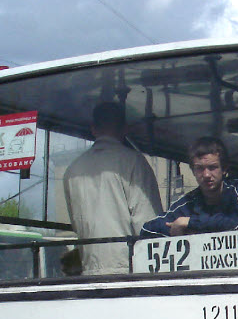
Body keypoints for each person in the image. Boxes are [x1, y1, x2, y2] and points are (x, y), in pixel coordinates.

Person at [63, 101, 163, 274]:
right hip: (129, 268)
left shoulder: (72, 170)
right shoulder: (133, 162)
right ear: (125, 129)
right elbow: (148, 224)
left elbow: (77, 224)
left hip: (88, 269)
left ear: (93, 129)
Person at [142, 137, 238, 237]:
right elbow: (148, 229)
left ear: (224, 168)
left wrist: (191, 223)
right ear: (192, 170)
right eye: (200, 168)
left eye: (212, 167)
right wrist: (181, 230)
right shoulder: (189, 202)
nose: (206, 175)